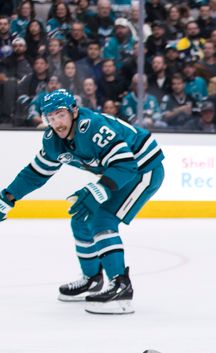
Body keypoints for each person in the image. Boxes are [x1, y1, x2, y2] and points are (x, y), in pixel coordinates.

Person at [0, 89, 165, 314]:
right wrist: (8, 197)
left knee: (102, 220)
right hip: (121, 171)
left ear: (74, 111)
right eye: (50, 116)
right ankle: (92, 278)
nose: (56, 122)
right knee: (81, 219)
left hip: (144, 169)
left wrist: (99, 189)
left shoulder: (93, 127)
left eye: (60, 114)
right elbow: (36, 173)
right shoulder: (52, 140)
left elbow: (126, 164)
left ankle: (121, 288)